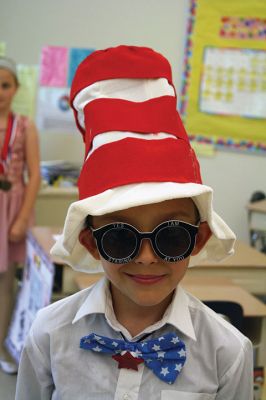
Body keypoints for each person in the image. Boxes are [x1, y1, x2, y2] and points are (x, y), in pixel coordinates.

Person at [16, 46, 253, 399]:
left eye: (171, 236)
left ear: (199, 239)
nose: (145, 257)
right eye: (119, 237)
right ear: (91, 242)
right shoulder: (49, 333)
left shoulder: (228, 352)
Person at [0, 57, 40, 374]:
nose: (0, 91)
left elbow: (35, 175)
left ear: (15, 88)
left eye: (5, 85)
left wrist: (22, 218)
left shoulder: (25, 126)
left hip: (10, 208)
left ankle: (4, 345)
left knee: (5, 282)